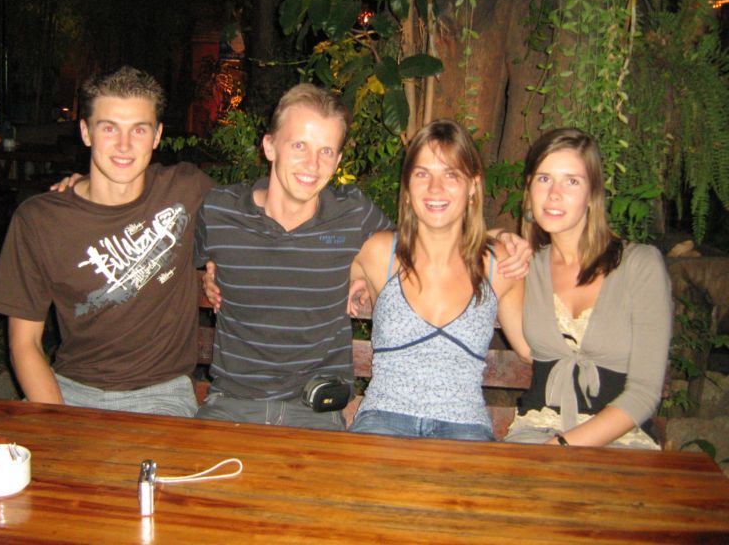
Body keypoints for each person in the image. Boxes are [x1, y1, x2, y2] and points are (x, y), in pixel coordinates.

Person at [196, 85, 532, 431]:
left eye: (326, 151)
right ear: (269, 146)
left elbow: (428, 236)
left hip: (314, 409)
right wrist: (209, 274)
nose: (312, 163)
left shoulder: (354, 215)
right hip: (231, 404)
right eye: (299, 146)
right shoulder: (220, 212)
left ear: (338, 160)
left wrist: (494, 237)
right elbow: (176, 264)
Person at [0, 66, 215, 416]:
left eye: (139, 129)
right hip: (67, 389)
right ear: (85, 132)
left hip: (161, 395)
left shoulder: (185, 188)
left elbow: (255, 220)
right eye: (109, 128)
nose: (124, 145)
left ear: (157, 136)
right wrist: (56, 424)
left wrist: (216, 265)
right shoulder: (39, 220)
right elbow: (24, 343)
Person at [346, 120, 529, 441]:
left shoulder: (498, 264)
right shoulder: (377, 253)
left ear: (473, 185)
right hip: (383, 419)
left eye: (451, 174)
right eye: (422, 174)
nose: (435, 188)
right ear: (407, 187)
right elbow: (308, 279)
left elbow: (532, 349)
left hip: (465, 427)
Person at [504, 128, 672, 448]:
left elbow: (644, 392)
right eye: (544, 179)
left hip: (621, 439)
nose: (554, 194)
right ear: (529, 187)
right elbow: (467, 244)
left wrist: (563, 446)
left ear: (593, 192)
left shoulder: (640, 265)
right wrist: (499, 237)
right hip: (535, 430)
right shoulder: (526, 267)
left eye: (572, 181)